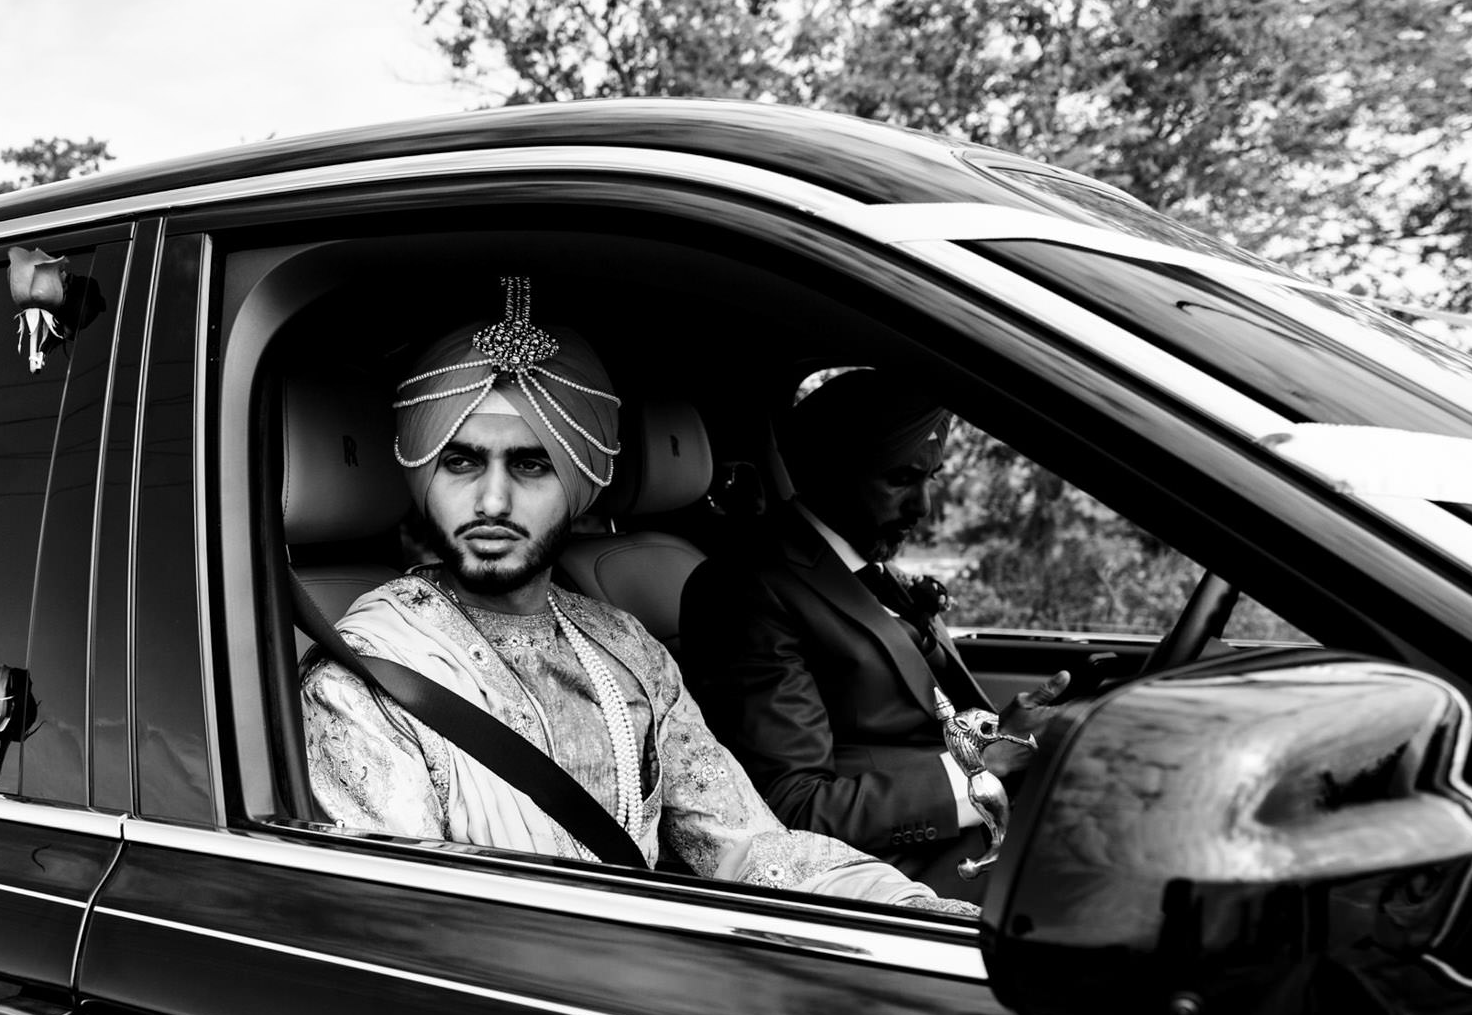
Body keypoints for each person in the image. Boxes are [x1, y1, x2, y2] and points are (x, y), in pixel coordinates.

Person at [299, 281, 972, 914]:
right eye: (462, 461)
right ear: (424, 471)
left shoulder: (623, 646)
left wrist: (912, 912)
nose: (493, 501)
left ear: (582, 477)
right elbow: (407, 926)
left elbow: (746, 844)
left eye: (531, 464)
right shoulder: (365, 672)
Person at [679, 364, 1066, 896]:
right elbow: (792, 807)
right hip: (889, 870)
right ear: (831, 469)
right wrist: (980, 768)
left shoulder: (872, 573)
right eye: (901, 479)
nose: (923, 508)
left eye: (930, 478)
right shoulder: (745, 586)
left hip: (973, 833)